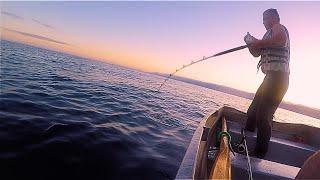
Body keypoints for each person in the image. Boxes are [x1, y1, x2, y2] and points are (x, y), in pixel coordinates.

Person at [244, 8, 290, 158]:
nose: (263, 22)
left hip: (278, 79)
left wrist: (257, 41)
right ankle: (244, 142)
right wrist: (250, 43)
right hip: (269, 78)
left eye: (265, 18)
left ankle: (259, 154)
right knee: (252, 112)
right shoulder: (266, 36)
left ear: (274, 18)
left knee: (263, 116)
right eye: (263, 19)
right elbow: (256, 53)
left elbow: (280, 40)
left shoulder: (278, 28)